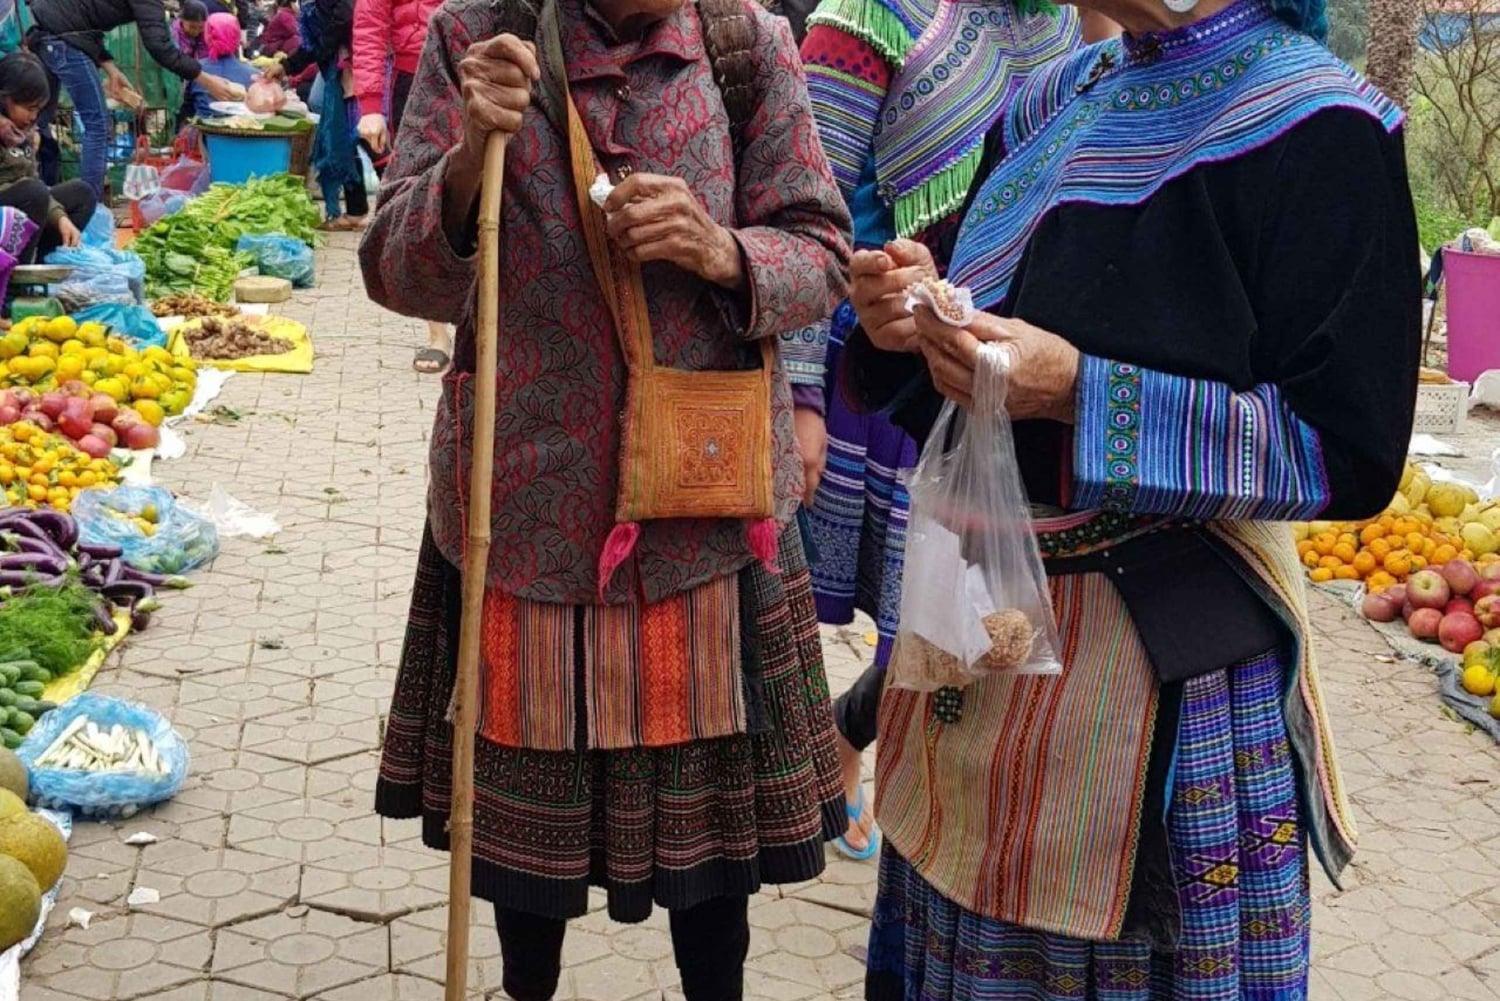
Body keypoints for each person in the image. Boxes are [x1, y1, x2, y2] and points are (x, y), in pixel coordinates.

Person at [844, 0, 1420, 994]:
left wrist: (1082, 391)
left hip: (1157, 682)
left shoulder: (1323, 124)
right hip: (983, 638)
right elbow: (988, 317)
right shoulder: (1051, 102)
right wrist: (915, 318)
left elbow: (1344, 448)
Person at [359, 0, 852, 993]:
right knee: (523, 871)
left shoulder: (744, 45)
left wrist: (720, 249)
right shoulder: (477, 38)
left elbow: (823, 251)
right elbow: (395, 272)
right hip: (523, 518)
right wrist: (469, 160)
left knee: (715, 887)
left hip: (703, 519)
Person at [791, 0, 1095, 862]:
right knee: (926, 610)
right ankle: (862, 762)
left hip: (1015, 369)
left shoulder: (1061, 25)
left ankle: (857, 742)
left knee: (971, 614)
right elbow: (804, 212)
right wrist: (800, 396)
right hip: (889, 370)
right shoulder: (865, 19)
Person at [27, 0, 243, 197]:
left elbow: (85, 21)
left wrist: (111, 69)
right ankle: (88, 206)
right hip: (62, 37)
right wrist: (205, 80)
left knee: (37, 121)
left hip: (47, 28)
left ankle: (42, 200)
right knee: (97, 125)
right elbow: (160, 47)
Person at [348, 0, 448, 371]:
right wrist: (370, 106)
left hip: (483, 72)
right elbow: (369, 25)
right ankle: (438, 332)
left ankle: (484, 323)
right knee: (424, 202)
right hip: (416, 81)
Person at [0, 53, 96, 264]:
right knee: (33, 193)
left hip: (21, 208)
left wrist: (59, 217)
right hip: (5, 215)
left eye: (38, 109)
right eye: (29, 108)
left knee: (81, 194)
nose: (33, 117)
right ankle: (17, 273)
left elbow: (32, 180)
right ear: (5, 98)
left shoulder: (19, 134)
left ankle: (40, 263)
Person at [284, 0, 365, 230]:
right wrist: (287, 65)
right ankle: (356, 210)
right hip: (337, 67)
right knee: (345, 137)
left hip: (352, 64)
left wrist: (322, 46)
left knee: (361, 138)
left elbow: (344, 18)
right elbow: (314, 43)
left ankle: (395, 208)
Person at [183, 13, 258, 119]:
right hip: (241, 127)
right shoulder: (254, 75)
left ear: (207, 37)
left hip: (202, 126)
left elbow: (187, 106)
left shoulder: (194, 70)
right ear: (238, 38)